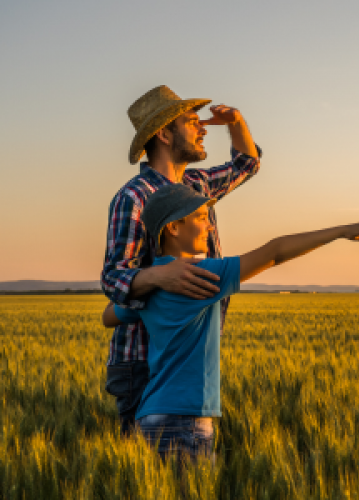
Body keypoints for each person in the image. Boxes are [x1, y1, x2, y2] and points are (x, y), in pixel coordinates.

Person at [102, 183, 359, 468]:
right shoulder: (201, 275)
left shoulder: (151, 283)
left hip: (149, 417)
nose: (210, 227)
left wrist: (148, 279)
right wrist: (340, 232)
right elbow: (274, 252)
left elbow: (109, 316)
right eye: (202, 217)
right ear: (174, 228)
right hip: (184, 421)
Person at [101, 85, 262, 436]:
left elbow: (247, 163)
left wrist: (235, 120)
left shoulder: (196, 185)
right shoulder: (133, 197)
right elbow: (113, 278)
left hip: (182, 359)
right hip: (142, 360)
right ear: (164, 133)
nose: (203, 128)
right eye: (192, 122)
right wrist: (161, 276)